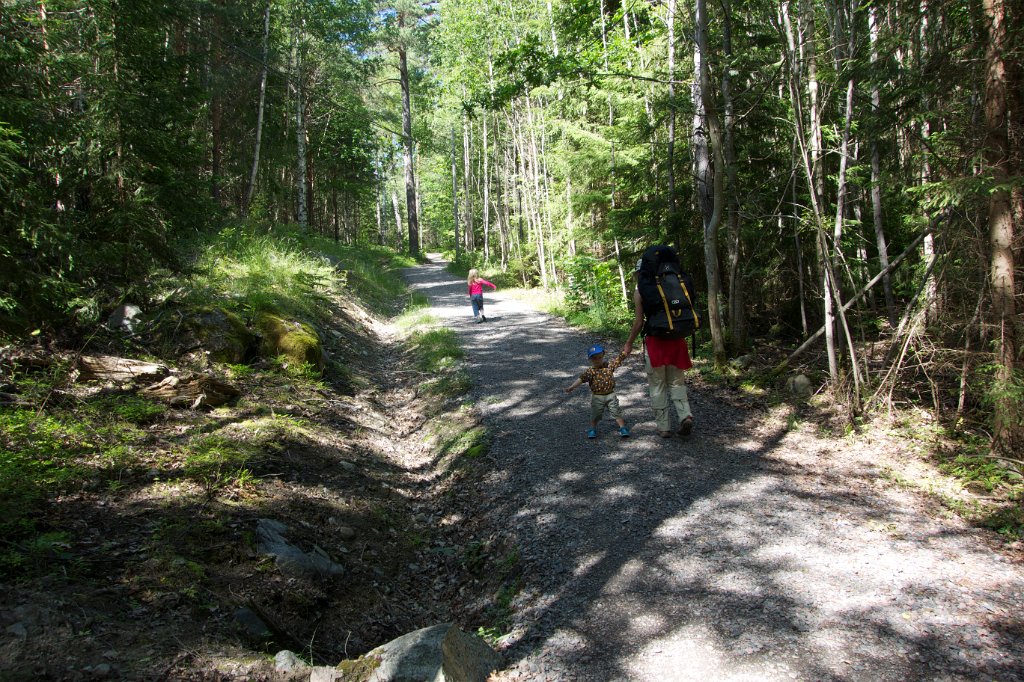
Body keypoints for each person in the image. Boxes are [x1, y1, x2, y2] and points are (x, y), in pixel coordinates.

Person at [623, 256, 695, 438]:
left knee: (657, 385)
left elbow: (639, 322)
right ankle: (685, 415)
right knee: (677, 382)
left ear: (640, 273)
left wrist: (629, 343)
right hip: (677, 340)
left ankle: (664, 427)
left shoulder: (640, 291)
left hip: (656, 343)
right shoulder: (672, 285)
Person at [565, 344, 631, 439]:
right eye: (594, 358)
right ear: (590, 359)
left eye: (600, 357)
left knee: (616, 411)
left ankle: (622, 428)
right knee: (596, 414)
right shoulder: (590, 371)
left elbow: (618, 360)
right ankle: (592, 429)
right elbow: (581, 379)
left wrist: (625, 352)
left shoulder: (608, 366)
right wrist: (572, 387)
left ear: (603, 356)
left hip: (610, 395)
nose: (598, 360)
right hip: (597, 397)